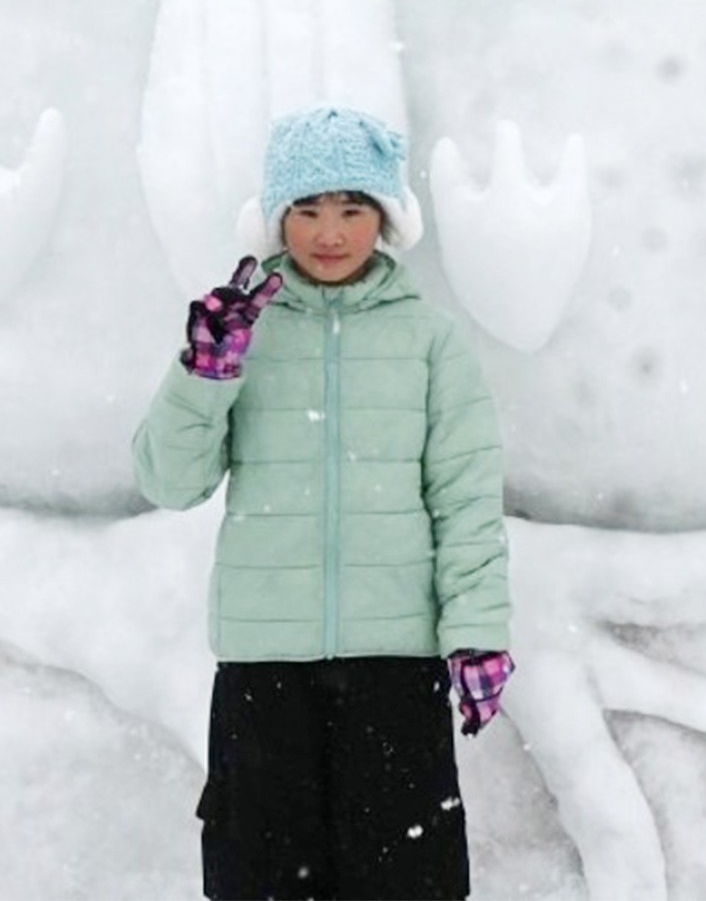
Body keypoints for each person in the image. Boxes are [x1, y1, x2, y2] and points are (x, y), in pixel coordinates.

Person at [133, 104, 512, 901]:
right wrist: (204, 373)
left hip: (395, 673)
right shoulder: (245, 332)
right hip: (265, 674)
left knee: (407, 883)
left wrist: (476, 633)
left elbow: (466, 501)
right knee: (260, 882)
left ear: (385, 218)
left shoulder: (430, 343)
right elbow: (169, 480)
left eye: (351, 209)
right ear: (277, 219)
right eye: (306, 210)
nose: (329, 232)